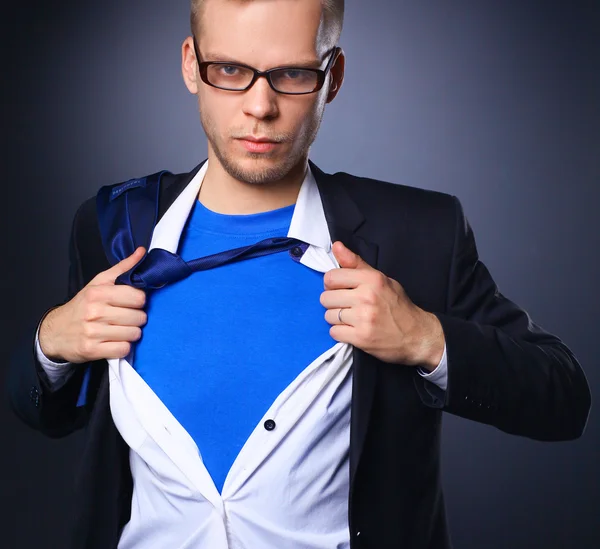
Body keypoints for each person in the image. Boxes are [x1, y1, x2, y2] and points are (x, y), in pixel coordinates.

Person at [7, 0, 592, 548]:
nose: (259, 107)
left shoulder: (419, 233)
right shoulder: (112, 224)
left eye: (291, 75)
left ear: (332, 77)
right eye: (231, 69)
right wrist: (49, 344)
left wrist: (423, 337)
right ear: (192, 65)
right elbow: (50, 414)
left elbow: (564, 398)